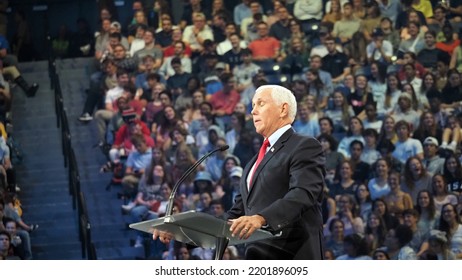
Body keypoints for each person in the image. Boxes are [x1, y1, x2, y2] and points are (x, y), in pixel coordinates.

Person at [154, 84, 326, 260]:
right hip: (257, 258)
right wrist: (180, 231)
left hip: (294, 254)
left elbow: (303, 194)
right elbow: (233, 216)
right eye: (252, 106)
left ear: (283, 109)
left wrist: (261, 218)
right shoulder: (253, 163)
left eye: (260, 103)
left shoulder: (303, 145)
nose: (253, 112)